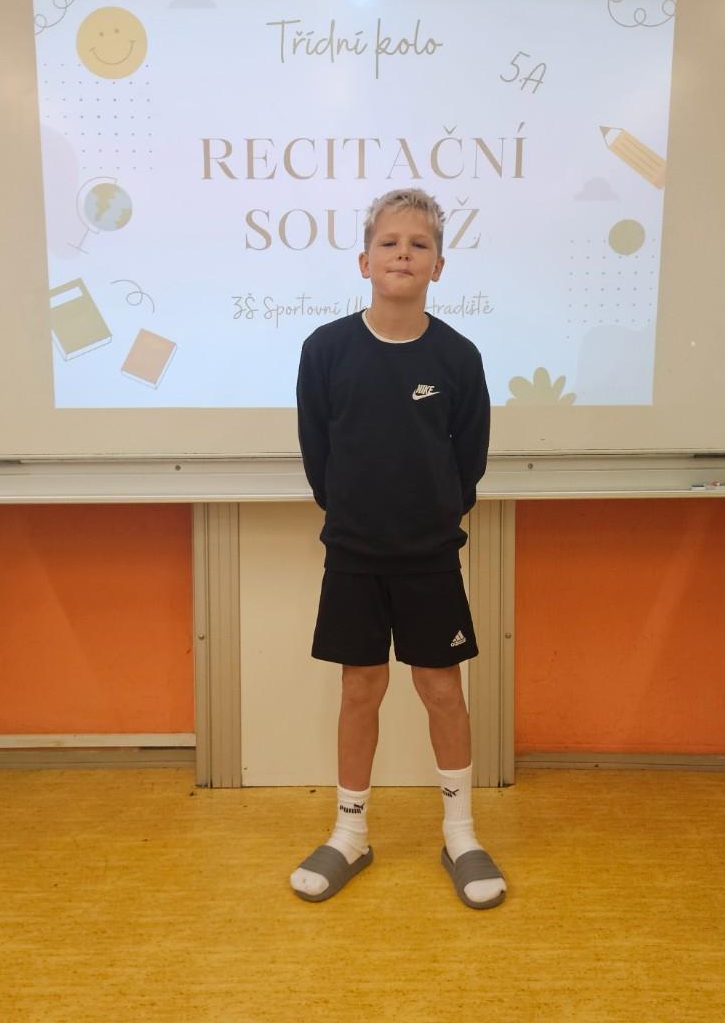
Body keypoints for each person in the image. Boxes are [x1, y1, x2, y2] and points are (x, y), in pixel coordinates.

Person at [291, 188, 506, 910]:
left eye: (419, 245)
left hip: (429, 556)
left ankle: (461, 834)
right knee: (360, 688)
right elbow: (318, 457)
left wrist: (430, 516)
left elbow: (468, 461)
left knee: (443, 689)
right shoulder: (325, 350)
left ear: (438, 265)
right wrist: (358, 514)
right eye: (389, 242)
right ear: (364, 261)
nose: (403, 254)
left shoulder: (458, 356)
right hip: (353, 554)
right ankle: (349, 833)